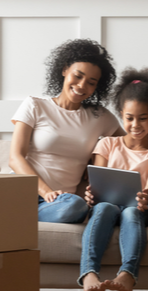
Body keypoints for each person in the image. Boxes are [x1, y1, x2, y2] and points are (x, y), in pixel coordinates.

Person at [9, 39, 124, 223]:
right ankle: (12, 211)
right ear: (64, 70)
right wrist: (46, 192)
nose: (81, 85)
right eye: (78, 76)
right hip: (23, 189)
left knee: (77, 206)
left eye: (91, 82)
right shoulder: (35, 105)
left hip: (63, 203)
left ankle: (15, 216)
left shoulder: (99, 116)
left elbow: (131, 145)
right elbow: (15, 158)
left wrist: (95, 158)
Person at [78, 67, 148, 291]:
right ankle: (89, 272)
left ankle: (127, 273)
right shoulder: (108, 144)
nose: (135, 124)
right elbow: (97, 177)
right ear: (121, 114)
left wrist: (145, 194)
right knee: (103, 207)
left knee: (130, 213)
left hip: (139, 208)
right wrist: (91, 194)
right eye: (129, 118)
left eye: (143, 118)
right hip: (107, 205)